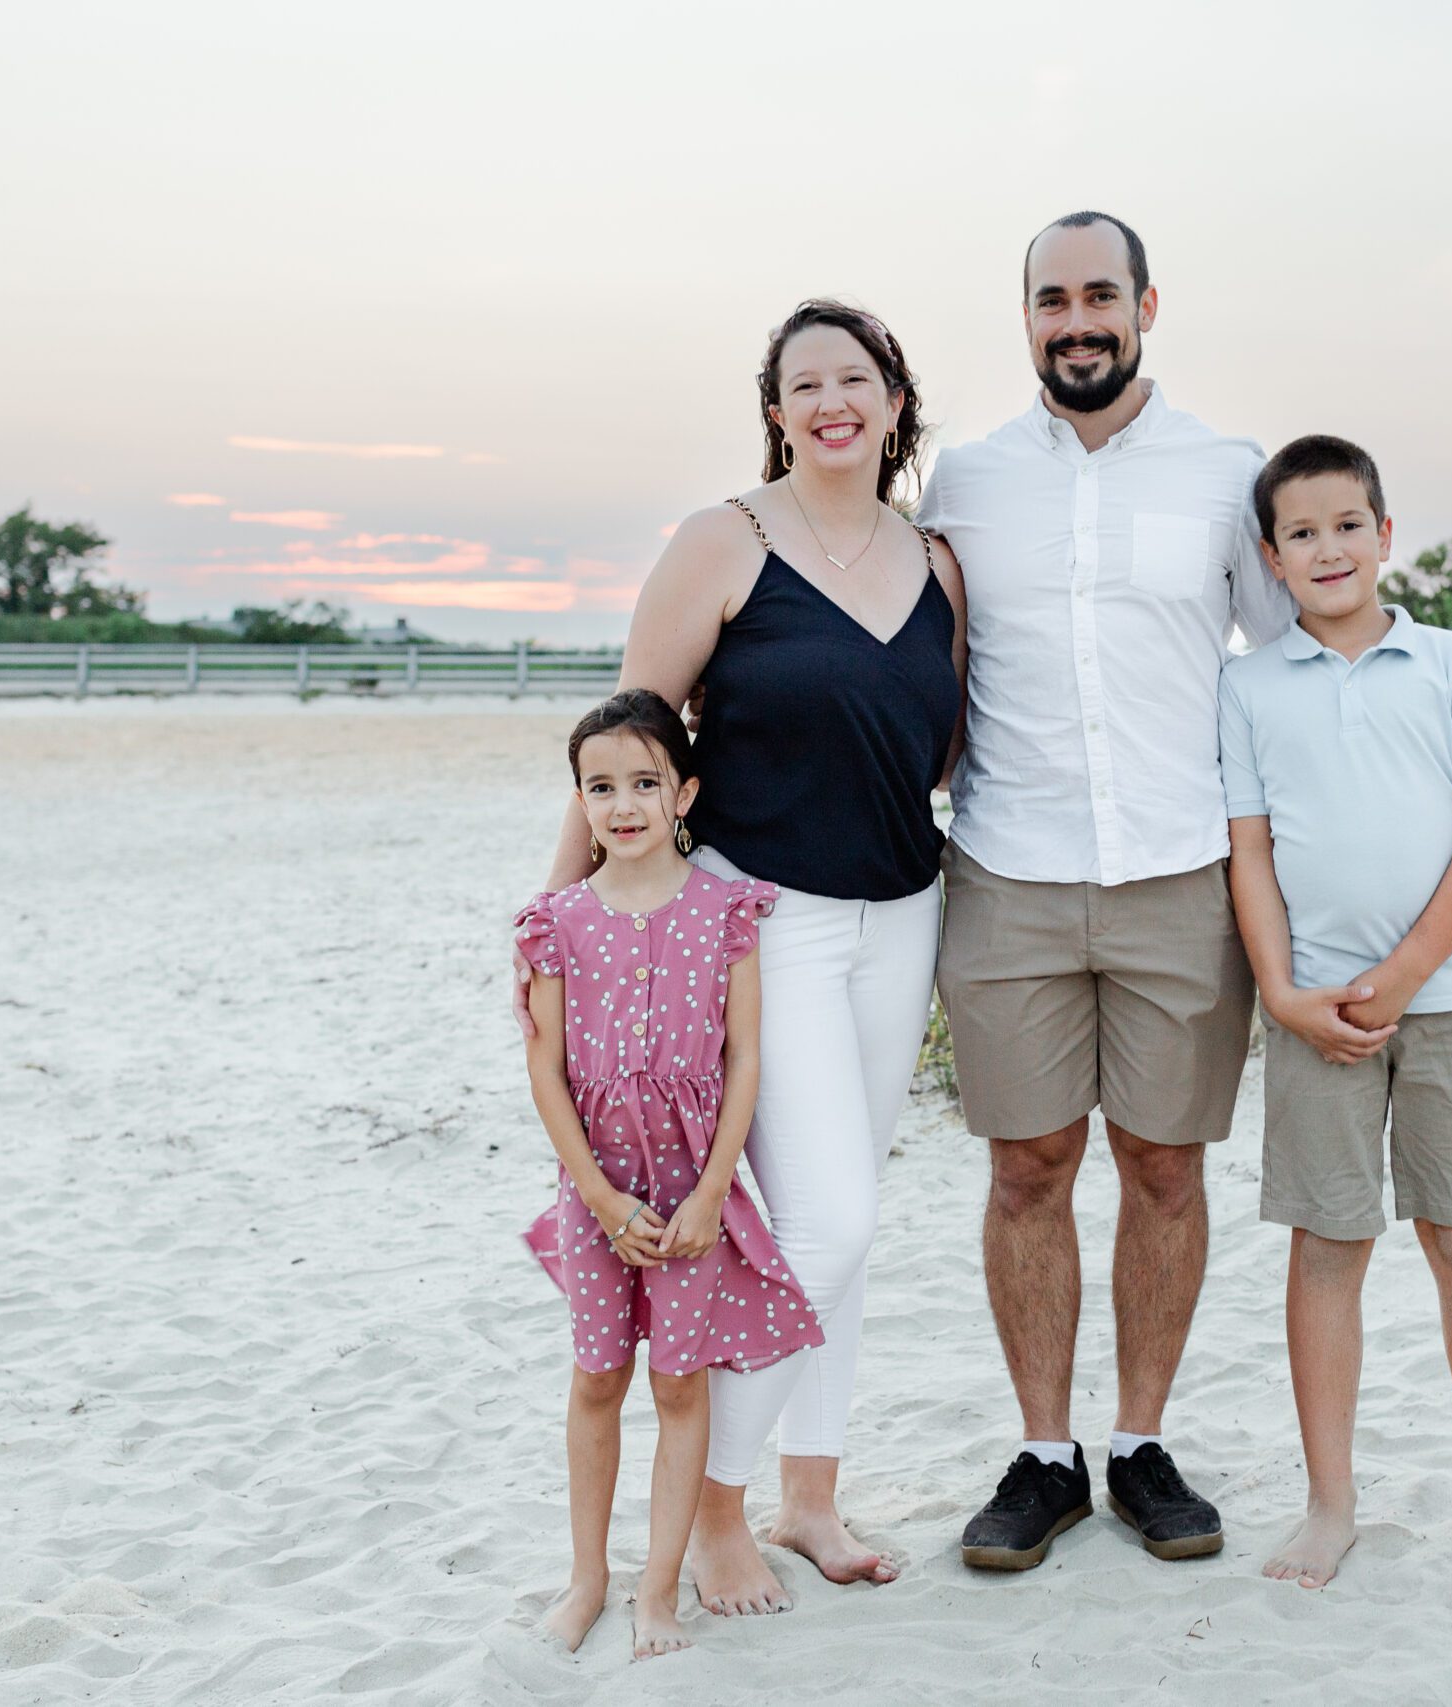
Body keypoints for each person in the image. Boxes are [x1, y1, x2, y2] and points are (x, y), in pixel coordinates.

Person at [514, 300, 967, 1615]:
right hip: (758, 918)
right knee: (823, 1220)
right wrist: (554, 924)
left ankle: (809, 1497)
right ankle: (711, 1504)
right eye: (803, 382)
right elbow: (628, 739)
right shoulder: (725, 539)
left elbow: (932, 742)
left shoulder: (936, 564)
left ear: (893, 402)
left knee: (847, 1227)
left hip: (904, 914)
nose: (832, 399)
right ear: (776, 411)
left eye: (857, 377)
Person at [915, 211, 1296, 1570]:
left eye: (1098, 295)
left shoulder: (1222, 473)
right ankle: (1041, 1451)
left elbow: (1285, 658)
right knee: (1028, 1166)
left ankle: (1138, 1443)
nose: (1075, 320)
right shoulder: (961, 480)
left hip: (1180, 872)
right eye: (1048, 299)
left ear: (1146, 303)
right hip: (1007, 872)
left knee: (1163, 1163)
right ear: (1023, 317)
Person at [1219, 434, 1452, 1590]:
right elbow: (1251, 851)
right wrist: (1281, 993)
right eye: (1301, 533)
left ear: (1386, 533)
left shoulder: (1450, 661)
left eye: (1346, 524)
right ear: (1270, 559)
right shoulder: (1249, 683)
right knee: (1327, 1244)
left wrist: (1411, 973)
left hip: (1451, 999)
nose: (1327, 548)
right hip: (1314, 1007)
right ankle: (1330, 1505)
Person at [515, 690, 819, 1658]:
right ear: (580, 803)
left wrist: (708, 1192)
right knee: (598, 1375)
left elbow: (745, 1060)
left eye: (645, 782)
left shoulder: (728, 912)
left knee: (680, 1387)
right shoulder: (556, 922)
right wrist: (601, 1200)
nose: (624, 804)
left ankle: (658, 1590)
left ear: (684, 792)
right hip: (597, 1192)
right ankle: (588, 1579)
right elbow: (544, 1068)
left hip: (693, 1194)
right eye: (600, 788)